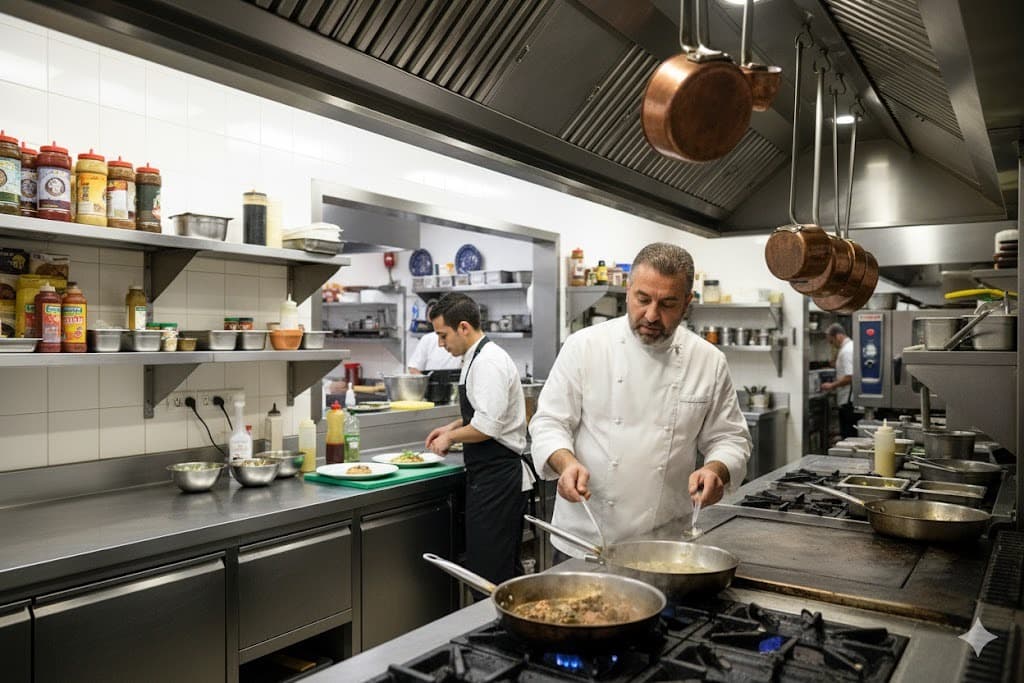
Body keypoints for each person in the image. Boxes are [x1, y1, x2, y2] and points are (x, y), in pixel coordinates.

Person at [530, 242, 751, 562]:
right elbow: (549, 422)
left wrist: (716, 470)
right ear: (628, 290)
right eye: (642, 299)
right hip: (587, 540)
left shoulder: (707, 361)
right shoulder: (584, 347)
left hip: (666, 543)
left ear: (687, 303)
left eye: (667, 304)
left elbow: (730, 438)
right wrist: (565, 464)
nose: (651, 314)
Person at [423, 293, 533, 585]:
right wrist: (450, 428)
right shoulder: (475, 358)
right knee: (500, 568)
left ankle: (495, 629)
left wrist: (450, 439)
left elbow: (487, 426)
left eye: (443, 335)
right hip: (489, 476)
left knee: (489, 573)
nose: (440, 344)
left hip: (498, 478)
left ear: (463, 327)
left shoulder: (488, 362)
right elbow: (482, 413)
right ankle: (507, 628)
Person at [821, 322, 856, 438]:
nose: (832, 345)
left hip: (848, 401)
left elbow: (850, 376)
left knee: (848, 435)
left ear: (838, 336)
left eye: (831, 341)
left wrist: (831, 386)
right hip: (850, 400)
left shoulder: (846, 351)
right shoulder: (850, 346)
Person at [408, 305, 461, 373]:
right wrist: (422, 382)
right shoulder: (427, 339)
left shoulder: (462, 340)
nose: (440, 344)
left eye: (444, 336)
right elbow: (414, 367)